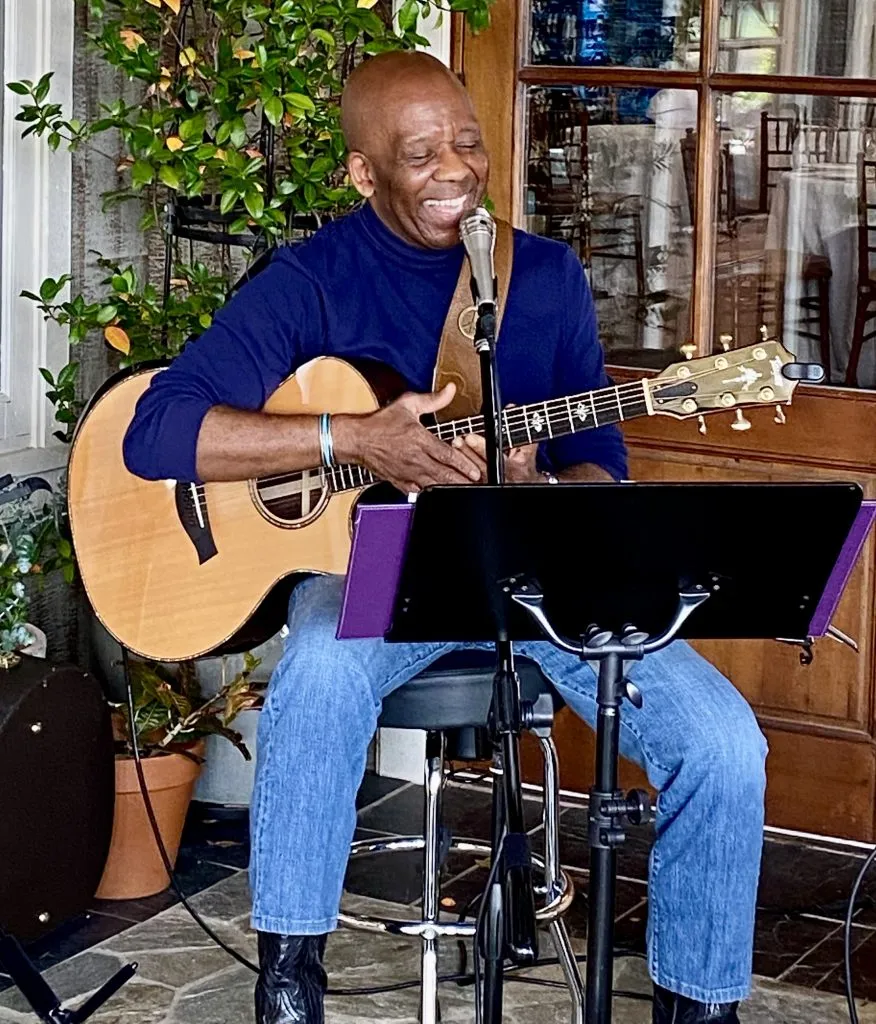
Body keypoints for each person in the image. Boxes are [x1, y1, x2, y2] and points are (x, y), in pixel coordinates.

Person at [123, 50, 767, 1024]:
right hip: (375, 571)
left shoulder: (539, 276)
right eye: (421, 153)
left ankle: (700, 1005)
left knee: (724, 739)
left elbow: (603, 465)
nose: (457, 170)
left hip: (544, 576)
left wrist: (539, 481)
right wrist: (350, 437)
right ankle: (290, 978)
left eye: (468, 142)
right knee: (321, 670)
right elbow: (156, 430)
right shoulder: (309, 282)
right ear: (363, 170)